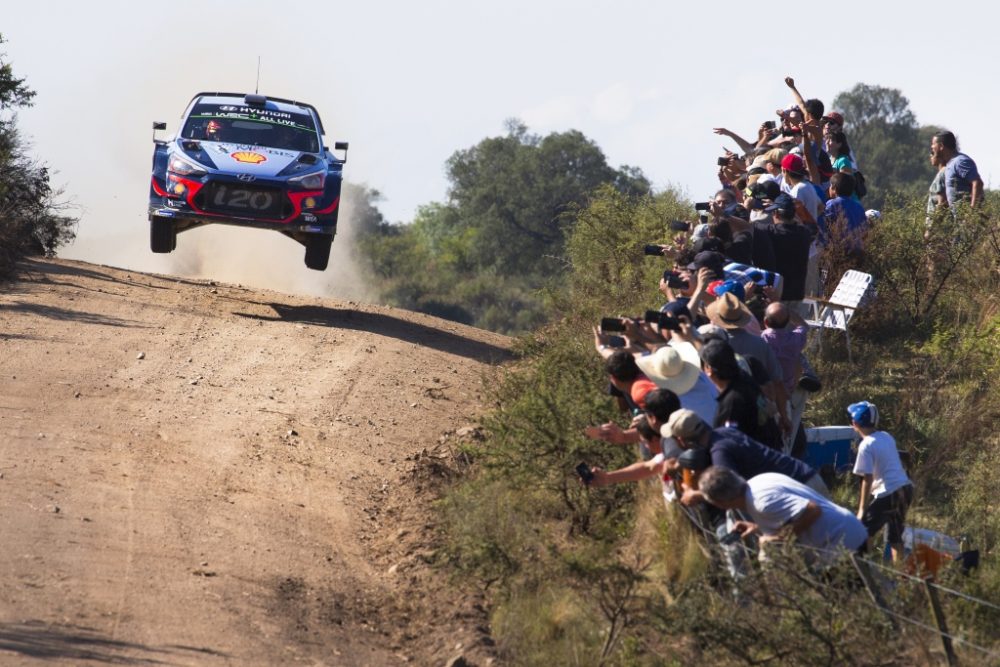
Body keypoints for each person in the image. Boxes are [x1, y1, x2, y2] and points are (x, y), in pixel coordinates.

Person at [697, 467, 868, 565]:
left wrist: (776, 538)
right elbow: (792, 515)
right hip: (843, 535)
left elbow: (812, 510)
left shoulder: (761, 502)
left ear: (720, 502)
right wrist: (757, 529)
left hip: (843, 543)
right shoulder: (758, 481)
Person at [663, 409, 829, 503]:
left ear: (682, 440)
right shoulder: (724, 433)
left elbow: (729, 490)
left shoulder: (720, 452)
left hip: (801, 492)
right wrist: (680, 464)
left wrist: (694, 495)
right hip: (805, 478)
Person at [848, 401, 913, 563]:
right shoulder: (886, 436)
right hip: (905, 489)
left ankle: (863, 570)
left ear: (854, 424)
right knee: (895, 538)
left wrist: (862, 510)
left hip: (887, 494)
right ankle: (899, 577)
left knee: (863, 532)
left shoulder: (865, 445)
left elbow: (867, 479)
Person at [699, 339, 782, 449]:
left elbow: (727, 444)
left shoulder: (732, 402)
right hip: (772, 452)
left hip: (757, 460)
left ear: (708, 369)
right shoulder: (745, 380)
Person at [762, 194, 813, 305]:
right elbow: (799, 223)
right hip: (797, 293)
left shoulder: (770, 231)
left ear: (775, 213)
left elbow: (747, 227)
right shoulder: (805, 232)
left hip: (777, 294)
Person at [930, 131, 983, 208]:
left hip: (966, 218)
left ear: (941, 146)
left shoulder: (960, 161)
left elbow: (977, 183)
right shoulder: (950, 164)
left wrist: (972, 211)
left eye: (933, 144)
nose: (932, 147)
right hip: (959, 218)